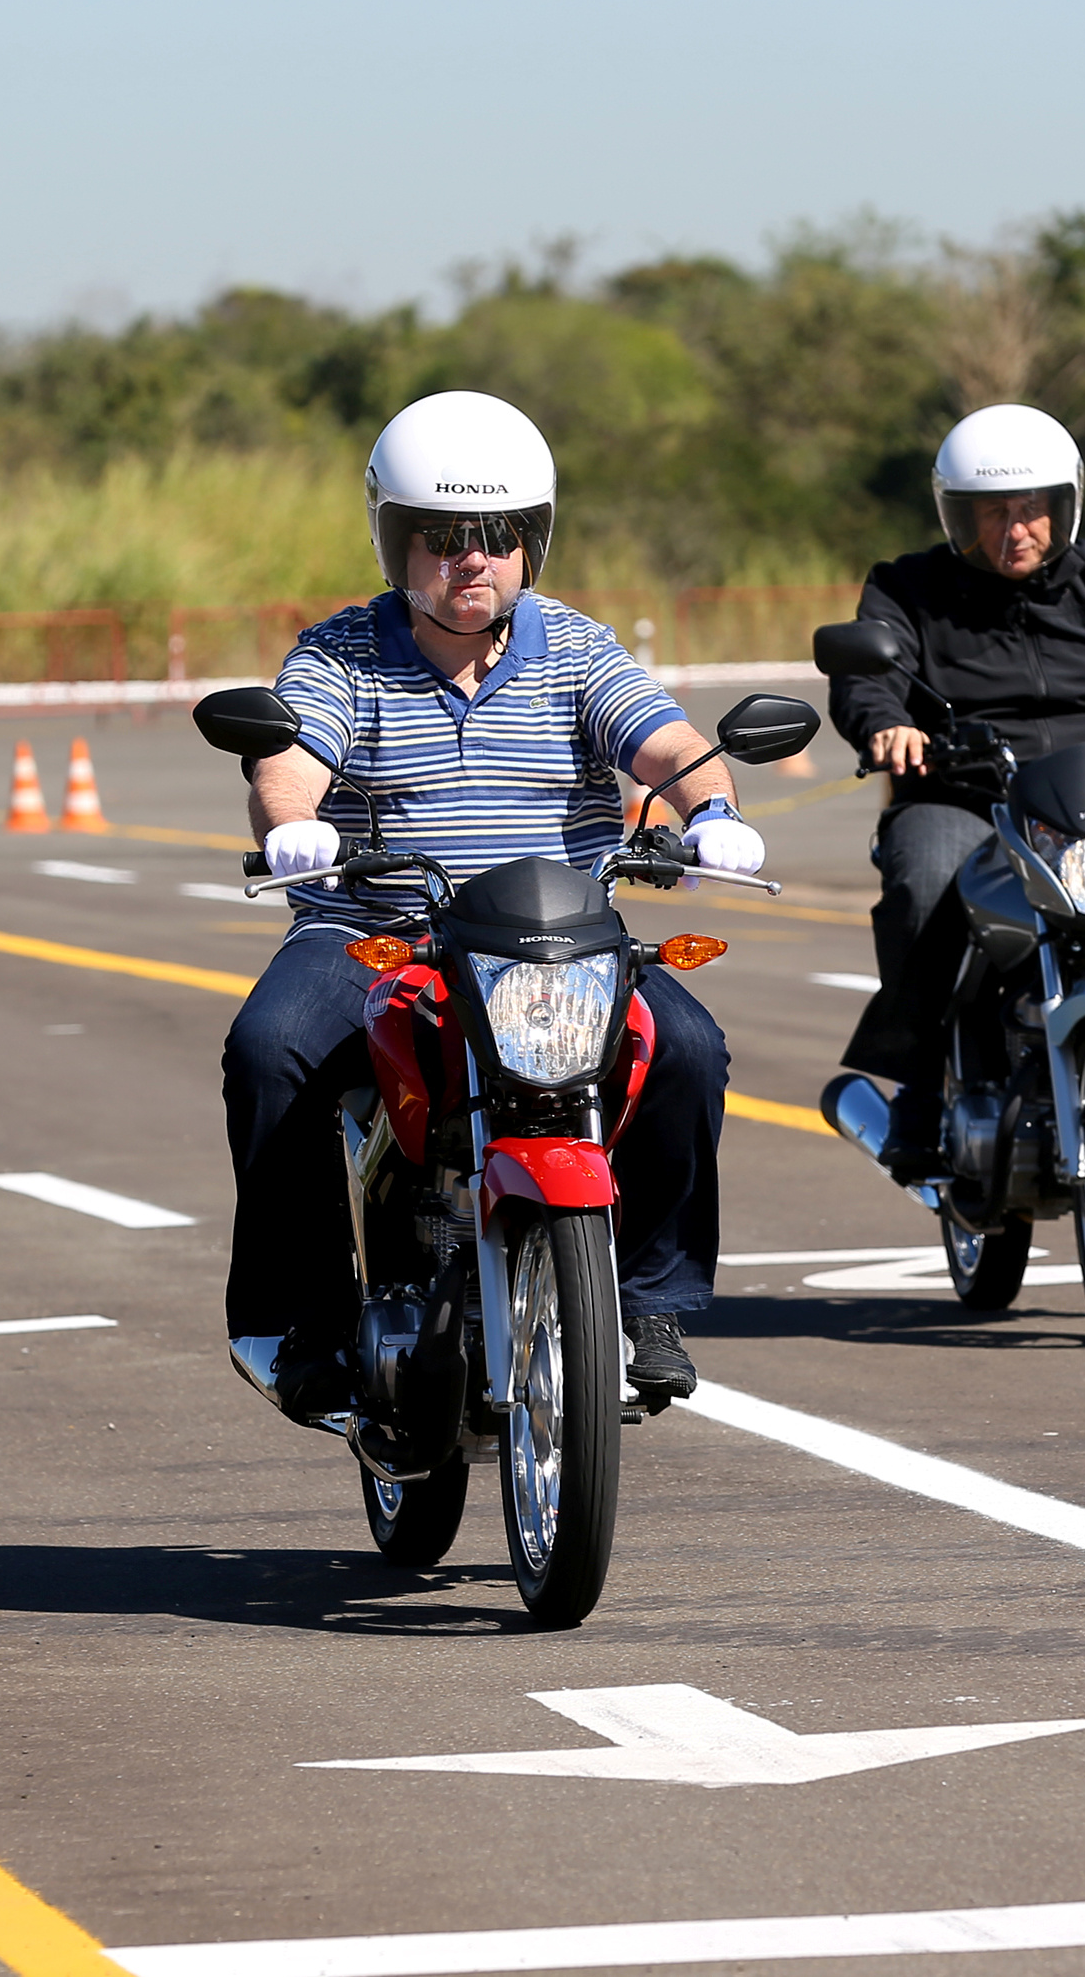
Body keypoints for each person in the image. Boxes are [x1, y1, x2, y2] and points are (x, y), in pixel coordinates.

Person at [220, 390, 765, 1420]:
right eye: (442, 537)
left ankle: (646, 1300)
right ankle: (291, 1319)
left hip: (557, 941)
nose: (472, 558)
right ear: (395, 540)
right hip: (376, 934)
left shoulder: (575, 646)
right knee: (270, 1049)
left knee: (690, 1047)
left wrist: (714, 808)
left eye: (498, 535)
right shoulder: (339, 653)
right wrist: (291, 818)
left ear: (532, 542)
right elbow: (288, 755)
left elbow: (659, 738)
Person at [822, 404, 1085, 1180]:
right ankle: (921, 1088)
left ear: (1064, 507)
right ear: (957, 515)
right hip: (959, 796)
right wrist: (887, 727)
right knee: (924, 886)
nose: (1015, 530)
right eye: (993, 513)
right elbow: (866, 677)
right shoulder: (908, 587)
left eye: (1031, 510)